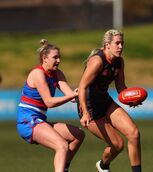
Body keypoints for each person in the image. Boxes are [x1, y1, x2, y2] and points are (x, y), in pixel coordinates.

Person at [77, 29, 142, 172]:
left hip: (105, 102)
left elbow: (121, 87)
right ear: (107, 45)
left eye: (122, 43)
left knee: (134, 133)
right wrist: (85, 113)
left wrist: (131, 99)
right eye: (117, 43)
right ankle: (103, 165)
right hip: (90, 108)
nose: (120, 47)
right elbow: (82, 87)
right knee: (118, 145)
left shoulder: (119, 62)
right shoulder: (97, 61)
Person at [16, 39, 85, 172]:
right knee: (62, 145)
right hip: (27, 121)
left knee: (78, 135)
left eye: (59, 57)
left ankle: (63, 168)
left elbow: (70, 96)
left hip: (39, 120)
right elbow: (49, 102)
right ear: (44, 58)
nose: (58, 60)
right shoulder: (38, 74)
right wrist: (72, 96)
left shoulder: (57, 73)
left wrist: (80, 94)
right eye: (55, 57)